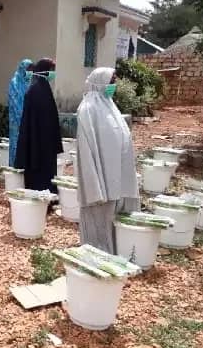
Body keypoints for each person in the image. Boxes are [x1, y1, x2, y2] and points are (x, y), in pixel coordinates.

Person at [77, 67, 140, 254]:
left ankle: (114, 249)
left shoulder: (110, 105)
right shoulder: (88, 109)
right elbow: (86, 150)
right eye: (112, 82)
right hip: (100, 177)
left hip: (116, 175)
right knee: (99, 217)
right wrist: (93, 185)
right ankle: (96, 251)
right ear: (100, 83)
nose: (114, 85)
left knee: (114, 216)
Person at [14, 58, 63, 192]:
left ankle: (48, 195)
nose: (53, 73)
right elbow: (29, 121)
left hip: (45, 141)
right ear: (44, 71)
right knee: (39, 174)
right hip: (36, 140)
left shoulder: (43, 88)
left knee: (47, 171)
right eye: (51, 70)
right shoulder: (34, 90)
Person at [8, 59, 34, 167]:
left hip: (28, 120)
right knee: (16, 143)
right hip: (16, 120)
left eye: (32, 70)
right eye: (28, 69)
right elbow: (14, 102)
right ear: (23, 69)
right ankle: (14, 167)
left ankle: (25, 167)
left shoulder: (30, 83)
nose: (30, 72)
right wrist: (21, 118)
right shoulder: (14, 82)